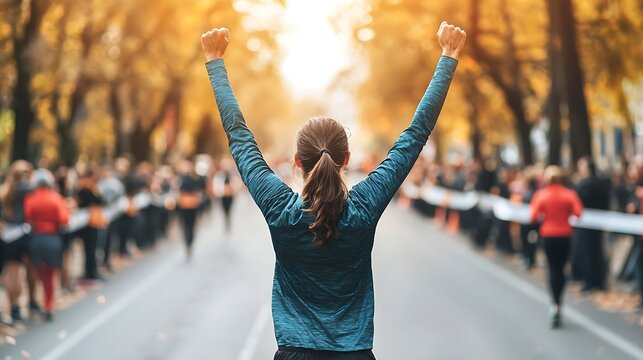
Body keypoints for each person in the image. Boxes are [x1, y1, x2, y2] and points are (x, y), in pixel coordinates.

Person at [201, 21, 465, 358]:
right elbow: (414, 137)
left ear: (297, 160)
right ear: (346, 159)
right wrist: (448, 57)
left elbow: (239, 138)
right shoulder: (364, 207)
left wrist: (215, 62)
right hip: (353, 352)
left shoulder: (281, 210)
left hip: (294, 352)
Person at [530, 166, 583, 329]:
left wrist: (545, 216)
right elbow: (578, 213)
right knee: (561, 268)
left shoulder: (542, 195)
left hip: (548, 236)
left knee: (552, 269)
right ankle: (558, 302)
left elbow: (532, 216)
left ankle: (555, 303)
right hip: (565, 236)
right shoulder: (569, 194)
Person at [24, 169, 70, 321]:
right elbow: (64, 219)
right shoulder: (56, 198)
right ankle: (49, 304)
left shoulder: (30, 198)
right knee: (51, 274)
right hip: (53, 238)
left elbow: (28, 217)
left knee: (40, 272)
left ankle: (41, 301)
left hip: (37, 239)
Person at [0, 160, 40, 322]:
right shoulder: (30, 190)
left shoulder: (4, 192)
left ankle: (14, 308)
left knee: (12, 274)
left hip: (7, 237)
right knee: (30, 271)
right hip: (25, 234)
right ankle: (31, 301)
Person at [574, 157, 611, 291]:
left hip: (587, 223)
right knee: (598, 251)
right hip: (599, 222)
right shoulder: (602, 183)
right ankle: (599, 281)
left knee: (588, 252)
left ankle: (589, 281)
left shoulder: (584, 184)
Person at [76, 168, 106, 280]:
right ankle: (91, 272)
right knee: (90, 247)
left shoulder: (85, 185)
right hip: (89, 220)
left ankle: (91, 270)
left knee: (90, 248)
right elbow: (98, 200)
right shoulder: (87, 186)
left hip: (89, 220)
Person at [177, 161, 205, 258]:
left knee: (191, 225)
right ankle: (187, 243)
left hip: (193, 204)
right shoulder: (180, 178)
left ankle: (190, 242)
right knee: (185, 225)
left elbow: (201, 189)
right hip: (184, 205)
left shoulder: (196, 178)